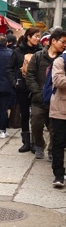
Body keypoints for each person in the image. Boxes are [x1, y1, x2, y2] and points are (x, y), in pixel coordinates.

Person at [25, 28, 66, 159]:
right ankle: (39, 144)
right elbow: (30, 76)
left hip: (57, 99)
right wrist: (37, 93)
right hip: (39, 98)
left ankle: (52, 150)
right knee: (36, 123)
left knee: (55, 128)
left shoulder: (63, 59)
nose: (64, 45)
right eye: (63, 42)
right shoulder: (38, 56)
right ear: (53, 41)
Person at [6, 27, 42, 153]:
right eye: (36, 36)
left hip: (37, 88)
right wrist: (14, 83)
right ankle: (26, 142)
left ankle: (36, 142)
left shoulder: (41, 51)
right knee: (24, 114)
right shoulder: (17, 51)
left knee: (37, 115)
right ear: (28, 36)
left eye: (39, 36)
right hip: (21, 87)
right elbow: (9, 68)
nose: (38, 39)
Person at [50, 52, 66, 187]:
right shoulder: (60, 60)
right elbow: (58, 80)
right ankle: (58, 175)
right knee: (59, 142)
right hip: (61, 109)